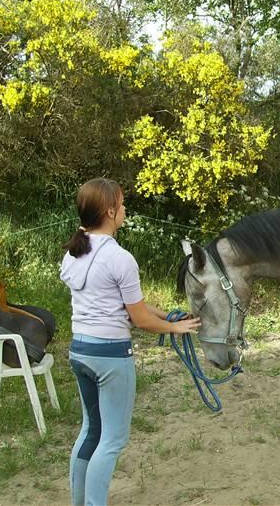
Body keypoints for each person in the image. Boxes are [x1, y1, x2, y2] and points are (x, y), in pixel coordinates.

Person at [60, 177, 201, 506]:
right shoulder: (120, 258)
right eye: (122, 204)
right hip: (110, 357)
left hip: (80, 351)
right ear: (110, 211)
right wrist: (175, 329)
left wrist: (166, 316)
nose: (125, 209)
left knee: (90, 430)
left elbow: (128, 305)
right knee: (111, 440)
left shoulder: (73, 254)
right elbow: (138, 319)